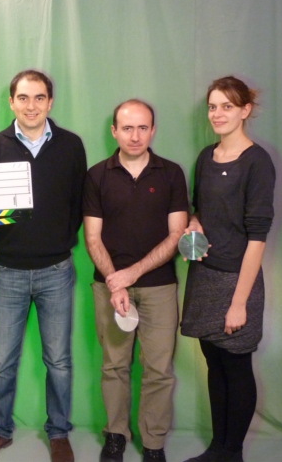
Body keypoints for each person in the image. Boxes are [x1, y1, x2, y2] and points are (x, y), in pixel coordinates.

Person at [0, 70, 87, 462]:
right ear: (11, 102)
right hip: (8, 272)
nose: (31, 105)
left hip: (57, 270)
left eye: (39, 98)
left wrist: (56, 242)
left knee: (59, 360)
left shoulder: (72, 146)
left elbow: (77, 207)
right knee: (1, 360)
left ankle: (59, 432)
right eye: (23, 98)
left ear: (50, 103)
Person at [83, 100, 189, 462]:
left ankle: (154, 442)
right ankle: (116, 435)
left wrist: (133, 274)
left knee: (159, 369)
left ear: (153, 130)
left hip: (160, 287)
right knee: (114, 365)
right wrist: (117, 283)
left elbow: (177, 235)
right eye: (127, 128)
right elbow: (92, 238)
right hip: (110, 287)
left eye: (143, 127)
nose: (135, 135)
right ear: (114, 131)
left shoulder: (172, 174)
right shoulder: (96, 175)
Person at [180, 76, 275, 462]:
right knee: (213, 364)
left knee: (236, 367)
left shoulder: (258, 162)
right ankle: (216, 449)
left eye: (227, 107)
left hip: (239, 281)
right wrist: (195, 224)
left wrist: (240, 303)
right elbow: (199, 208)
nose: (217, 114)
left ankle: (231, 453)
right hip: (204, 277)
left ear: (245, 111)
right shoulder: (205, 156)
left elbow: (258, 238)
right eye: (213, 106)